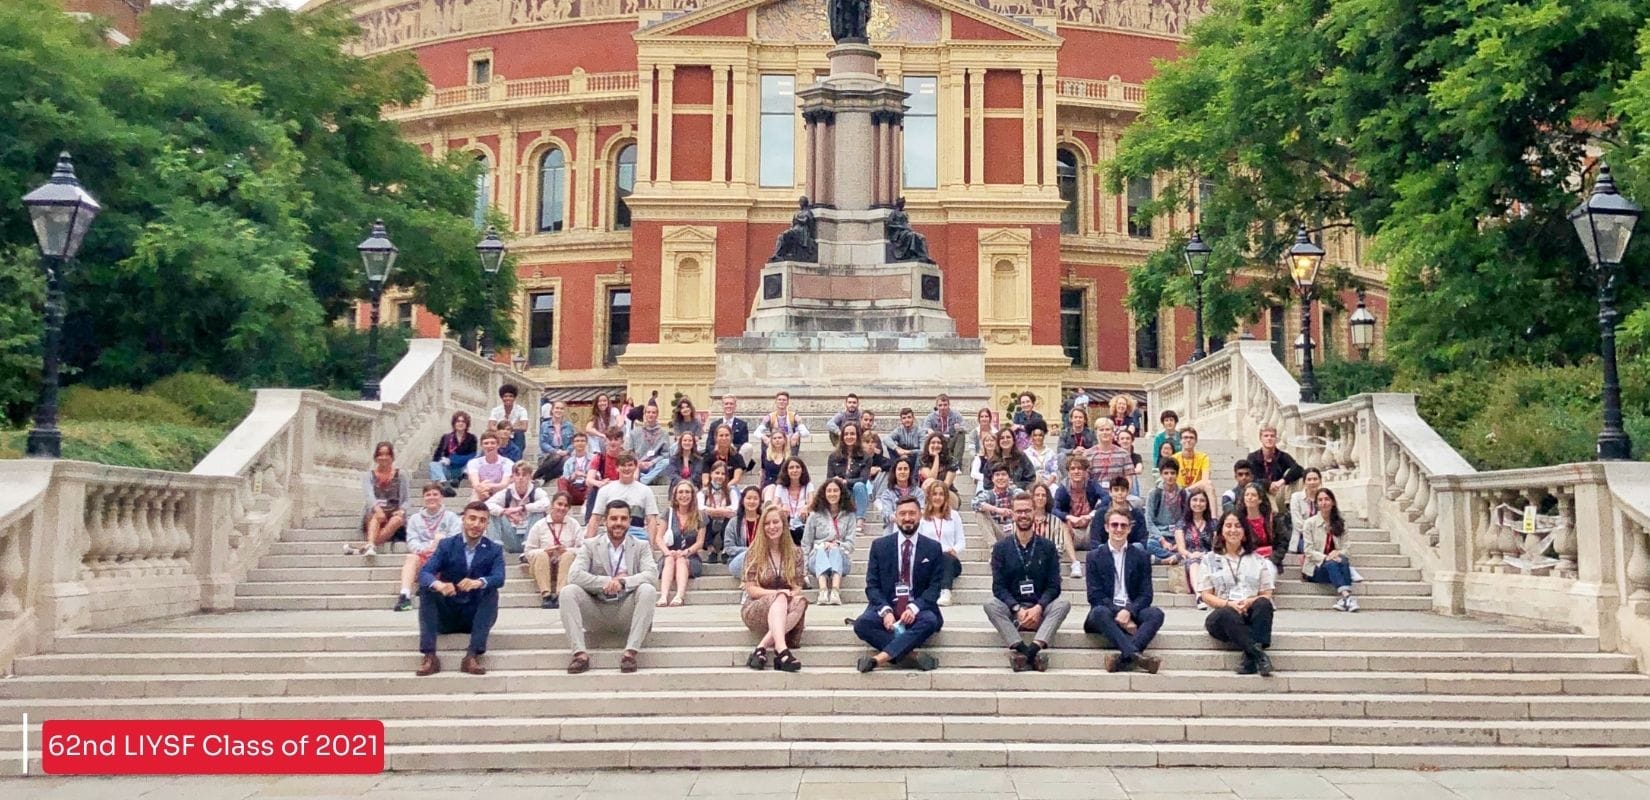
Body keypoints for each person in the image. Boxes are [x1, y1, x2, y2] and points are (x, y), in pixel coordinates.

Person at [561, 500, 660, 674]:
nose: (618, 523)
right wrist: (605, 582)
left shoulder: (641, 546)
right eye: (614, 518)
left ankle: (630, 654)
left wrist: (623, 582)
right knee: (568, 591)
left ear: (630, 521)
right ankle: (579, 655)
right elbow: (574, 575)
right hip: (596, 608)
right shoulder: (590, 545)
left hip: (626, 609)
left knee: (648, 589)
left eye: (623, 518)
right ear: (605, 520)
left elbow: (652, 574)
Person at [853, 495, 943, 672]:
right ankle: (911, 656)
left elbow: (934, 588)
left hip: (919, 608)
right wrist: (885, 611)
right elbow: (872, 586)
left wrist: (914, 608)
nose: (907, 518)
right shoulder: (880, 546)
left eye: (912, 513)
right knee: (862, 624)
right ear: (896, 516)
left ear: (920, 515)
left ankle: (878, 659)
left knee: (930, 620)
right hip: (888, 604)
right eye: (902, 514)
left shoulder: (933, 548)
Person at [415, 501, 503, 676]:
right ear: (463, 519)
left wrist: (479, 582)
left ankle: (472, 656)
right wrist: (439, 585)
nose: (476, 524)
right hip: (447, 613)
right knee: (426, 589)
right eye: (472, 518)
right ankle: (430, 656)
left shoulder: (494, 549)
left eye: (482, 520)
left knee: (491, 590)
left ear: (487, 524)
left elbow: (499, 578)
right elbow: (424, 573)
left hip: (474, 616)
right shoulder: (446, 545)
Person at [986, 494, 1072, 671]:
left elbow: (1054, 585)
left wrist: (1038, 608)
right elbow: (998, 587)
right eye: (1019, 511)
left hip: (1041, 607)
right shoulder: (1001, 548)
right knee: (990, 605)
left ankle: (1031, 650)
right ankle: (1025, 651)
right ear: (1012, 514)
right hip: (1013, 609)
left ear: (1034, 512)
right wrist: (1017, 609)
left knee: (1063, 604)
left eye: (1027, 511)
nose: (1023, 515)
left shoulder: (1048, 547)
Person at [1080, 508, 1165, 673]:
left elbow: (1146, 595)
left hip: (1132, 608)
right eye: (1114, 525)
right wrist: (1118, 612)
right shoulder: (1094, 556)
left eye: (1123, 525)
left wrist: (1129, 611)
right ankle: (1136, 655)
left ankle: (1123, 659)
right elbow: (1094, 595)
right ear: (1106, 527)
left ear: (1129, 529)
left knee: (1156, 614)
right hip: (1105, 612)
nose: (1119, 529)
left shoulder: (1141, 556)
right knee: (1099, 612)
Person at [1197, 511, 1279, 676]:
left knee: (1264, 604)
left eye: (1237, 526)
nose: (1233, 530)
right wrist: (1229, 604)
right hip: (1223, 616)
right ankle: (1259, 655)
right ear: (1221, 531)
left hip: (1249, 613)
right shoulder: (1209, 559)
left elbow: (1266, 593)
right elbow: (1206, 595)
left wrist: (1249, 602)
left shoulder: (1258, 560)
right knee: (1227, 613)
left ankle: (1250, 658)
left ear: (1244, 532)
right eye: (1228, 526)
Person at [741, 503, 809, 672]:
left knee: (801, 601)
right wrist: (777, 593)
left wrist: (788, 595)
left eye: (776, 522)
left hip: (784, 608)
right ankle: (781, 650)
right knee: (781, 597)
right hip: (757, 606)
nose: (771, 527)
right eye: (767, 523)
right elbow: (751, 589)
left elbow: (797, 586)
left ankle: (762, 647)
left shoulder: (796, 552)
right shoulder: (753, 552)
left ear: (784, 525)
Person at [395, 483, 462, 611]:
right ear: (423, 498)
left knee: (444, 543)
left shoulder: (451, 517)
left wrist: (439, 545)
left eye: (435, 494)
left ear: (441, 497)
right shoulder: (414, 519)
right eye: (428, 495)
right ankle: (405, 596)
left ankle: (429, 586)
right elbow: (412, 540)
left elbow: (455, 539)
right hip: (423, 556)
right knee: (411, 558)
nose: (431, 497)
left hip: (443, 558)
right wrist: (426, 548)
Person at [1299, 487, 1361, 611]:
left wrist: (1338, 553)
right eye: (1320, 500)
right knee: (1333, 563)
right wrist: (1326, 557)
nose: (1324, 502)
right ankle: (1347, 597)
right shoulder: (1309, 523)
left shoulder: (1341, 523)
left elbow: (1347, 548)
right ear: (1316, 504)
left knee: (1343, 560)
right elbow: (1308, 551)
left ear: (1332, 502)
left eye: (1327, 499)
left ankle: (1345, 599)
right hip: (1315, 568)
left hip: (1337, 563)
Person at [801, 477, 858, 605]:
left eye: (835, 490)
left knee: (835, 549)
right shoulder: (815, 515)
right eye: (829, 491)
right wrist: (804, 569)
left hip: (841, 558)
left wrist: (836, 544)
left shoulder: (849, 515)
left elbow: (850, 544)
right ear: (824, 493)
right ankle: (823, 590)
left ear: (841, 493)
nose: (832, 494)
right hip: (817, 558)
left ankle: (835, 591)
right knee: (821, 549)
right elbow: (806, 543)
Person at [585, 452, 661, 542]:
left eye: (630, 465)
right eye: (623, 465)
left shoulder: (646, 491)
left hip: (638, 537)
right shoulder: (605, 490)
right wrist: (589, 544)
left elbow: (651, 520)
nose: (626, 468)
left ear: (635, 467)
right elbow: (595, 518)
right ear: (617, 468)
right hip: (612, 535)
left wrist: (651, 544)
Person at [351, 441, 408, 557]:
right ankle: (370, 545)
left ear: (392, 457)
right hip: (375, 513)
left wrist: (402, 510)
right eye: (380, 454)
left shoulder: (401, 475)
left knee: (397, 519)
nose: (383, 457)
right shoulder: (368, 475)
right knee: (376, 515)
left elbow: (406, 500)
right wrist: (378, 509)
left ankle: (367, 546)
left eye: (387, 454)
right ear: (376, 457)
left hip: (393, 513)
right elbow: (369, 497)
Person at [522, 492, 577, 609]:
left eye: (566, 505)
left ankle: (560, 594)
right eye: (559, 504)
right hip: (542, 567)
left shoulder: (574, 525)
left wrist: (565, 550)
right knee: (541, 555)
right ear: (552, 504)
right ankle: (546, 595)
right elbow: (528, 552)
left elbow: (582, 549)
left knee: (568, 555)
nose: (562, 508)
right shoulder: (539, 525)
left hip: (565, 566)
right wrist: (546, 551)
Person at [655, 481, 705, 607]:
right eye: (681, 492)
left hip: (691, 557)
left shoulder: (700, 515)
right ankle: (663, 596)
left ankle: (679, 596)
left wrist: (686, 552)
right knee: (670, 560)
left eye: (687, 492)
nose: (684, 495)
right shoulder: (668, 513)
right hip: (670, 554)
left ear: (692, 495)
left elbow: (700, 542)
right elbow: (659, 538)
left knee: (681, 560)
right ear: (675, 495)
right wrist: (667, 552)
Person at [918, 478, 966, 606]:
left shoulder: (954, 516)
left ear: (946, 497)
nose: (938, 497)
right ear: (929, 496)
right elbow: (919, 542)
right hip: (930, 560)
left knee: (945, 557)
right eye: (934, 494)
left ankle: (946, 591)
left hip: (950, 560)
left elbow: (961, 541)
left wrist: (954, 550)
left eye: (941, 494)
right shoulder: (922, 517)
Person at [1051, 456, 1104, 565]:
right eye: (1073, 469)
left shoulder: (1092, 485)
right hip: (1072, 531)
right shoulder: (1062, 490)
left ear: (1085, 471)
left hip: (1090, 530)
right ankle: (1075, 563)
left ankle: (1097, 558)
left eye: (1080, 468)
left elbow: (1107, 498)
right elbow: (1054, 509)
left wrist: (1091, 515)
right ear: (1068, 472)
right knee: (1062, 524)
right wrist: (1069, 517)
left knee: (1101, 514)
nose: (1076, 471)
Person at [486, 461, 548, 553]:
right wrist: (505, 512)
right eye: (517, 474)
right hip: (511, 534)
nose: (520, 478)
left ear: (530, 477)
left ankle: (528, 549)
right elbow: (487, 505)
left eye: (524, 475)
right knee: (493, 513)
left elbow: (546, 504)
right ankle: (495, 549)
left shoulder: (536, 491)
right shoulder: (507, 492)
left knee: (539, 512)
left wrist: (523, 508)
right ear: (513, 477)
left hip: (531, 539)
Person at [1248, 424, 1304, 519]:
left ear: (1276, 439)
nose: (1269, 438)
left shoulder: (1282, 456)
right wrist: (1269, 484)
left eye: (1272, 436)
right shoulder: (1253, 457)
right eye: (1266, 436)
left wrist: (1282, 481)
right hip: (1262, 493)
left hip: (1279, 492)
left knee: (1299, 479)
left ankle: (1289, 506)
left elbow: (1299, 469)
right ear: (1261, 438)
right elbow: (1253, 478)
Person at [1176, 489, 1218, 610]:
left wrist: (1205, 555)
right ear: (1189, 502)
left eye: (1202, 500)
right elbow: (1181, 548)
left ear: (1206, 504)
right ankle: (1199, 596)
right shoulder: (1182, 523)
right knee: (1194, 563)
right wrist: (1191, 555)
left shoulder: (1213, 524)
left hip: (1208, 556)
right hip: (1189, 558)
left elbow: (1216, 546)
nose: (1198, 503)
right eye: (1195, 500)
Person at [1029, 482, 1079, 577]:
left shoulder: (1055, 521)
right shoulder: (1026, 520)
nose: (1040, 498)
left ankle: (1075, 563)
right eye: (1037, 495)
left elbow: (1058, 547)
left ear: (1047, 498)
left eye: (1043, 495)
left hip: (1048, 562)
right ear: (1032, 497)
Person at [825, 422, 874, 517]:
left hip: (857, 491)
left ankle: (860, 519)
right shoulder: (833, 457)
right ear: (842, 437)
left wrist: (845, 481)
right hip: (840, 491)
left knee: (859, 485)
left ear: (857, 436)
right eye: (846, 434)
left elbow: (863, 479)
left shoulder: (866, 457)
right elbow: (828, 479)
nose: (849, 437)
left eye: (852, 434)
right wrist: (836, 480)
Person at [1143, 460, 1187, 564]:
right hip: (1159, 536)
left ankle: (1161, 559)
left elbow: (1186, 519)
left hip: (1178, 535)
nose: (1169, 476)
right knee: (1149, 545)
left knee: (1193, 543)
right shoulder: (1154, 493)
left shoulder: (1184, 493)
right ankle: (1176, 556)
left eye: (1172, 473)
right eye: (1166, 473)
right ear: (1161, 475)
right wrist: (1162, 541)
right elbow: (1149, 521)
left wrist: (1179, 542)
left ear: (1177, 474)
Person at [764, 456, 814, 546]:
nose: (794, 470)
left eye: (797, 467)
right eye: (791, 468)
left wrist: (806, 506)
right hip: (786, 524)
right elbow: (774, 505)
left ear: (802, 470)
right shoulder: (780, 487)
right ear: (786, 471)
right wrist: (781, 507)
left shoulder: (808, 485)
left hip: (802, 523)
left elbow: (812, 502)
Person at [428, 412, 478, 497]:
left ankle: (443, 485)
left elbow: (472, 456)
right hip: (449, 470)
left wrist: (452, 460)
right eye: (458, 421)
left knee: (477, 456)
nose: (460, 423)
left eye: (463, 421)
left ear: (467, 424)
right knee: (433, 465)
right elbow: (436, 456)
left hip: (463, 470)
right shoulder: (446, 437)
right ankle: (445, 484)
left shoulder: (471, 438)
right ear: (454, 423)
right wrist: (441, 460)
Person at [971, 465, 1025, 543]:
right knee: (979, 513)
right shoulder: (987, 494)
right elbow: (974, 503)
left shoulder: (1016, 492)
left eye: (1003, 474)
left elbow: (1026, 501)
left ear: (1009, 478)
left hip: (1014, 527)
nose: (1000, 478)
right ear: (993, 479)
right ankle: (993, 547)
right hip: (996, 528)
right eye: (997, 475)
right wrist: (997, 510)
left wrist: (1014, 513)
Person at [1238, 482, 1285, 569]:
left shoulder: (1272, 519)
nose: (1249, 497)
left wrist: (1272, 559)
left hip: (1270, 561)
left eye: (1253, 495)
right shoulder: (1239, 521)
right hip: (1248, 562)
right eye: (1247, 495)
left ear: (1260, 499)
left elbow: (1282, 543)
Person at [624, 402, 673, 485]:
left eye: (653, 412)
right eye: (648, 412)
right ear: (644, 414)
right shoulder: (635, 433)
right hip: (638, 465)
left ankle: (645, 479)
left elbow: (665, 454)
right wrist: (638, 463)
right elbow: (629, 452)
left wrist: (652, 462)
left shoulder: (663, 434)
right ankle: (648, 477)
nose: (651, 415)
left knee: (666, 462)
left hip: (654, 465)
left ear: (657, 415)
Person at [580, 429, 625, 519]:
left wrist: (614, 483)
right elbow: (589, 480)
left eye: (616, 439)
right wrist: (600, 483)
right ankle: (589, 521)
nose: (612, 442)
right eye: (610, 439)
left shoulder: (628, 457)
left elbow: (634, 478)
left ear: (622, 442)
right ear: (605, 441)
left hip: (623, 489)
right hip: (605, 488)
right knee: (594, 489)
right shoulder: (599, 458)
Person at [699, 461, 738, 564]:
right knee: (702, 516)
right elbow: (700, 507)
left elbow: (735, 508)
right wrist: (722, 511)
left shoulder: (731, 490)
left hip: (724, 523)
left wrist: (713, 511)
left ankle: (726, 549)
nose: (720, 476)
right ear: (711, 474)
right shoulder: (704, 491)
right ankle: (710, 549)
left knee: (732, 518)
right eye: (717, 473)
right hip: (709, 523)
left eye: (723, 474)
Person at [724, 485, 765, 579]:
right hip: (739, 560)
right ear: (742, 501)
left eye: (755, 499)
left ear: (760, 502)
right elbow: (729, 548)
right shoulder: (733, 522)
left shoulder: (765, 521)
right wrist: (750, 551)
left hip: (762, 560)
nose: (752, 501)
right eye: (749, 498)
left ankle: (751, 583)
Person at [704, 394, 757, 466]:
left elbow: (744, 445)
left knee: (748, 447)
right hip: (717, 458)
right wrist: (720, 447)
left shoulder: (742, 425)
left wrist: (729, 447)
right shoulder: (714, 425)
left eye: (731, 404)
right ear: (722, 406)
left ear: (735, 406)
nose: (729, 406)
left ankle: (740, 470)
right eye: (726, 404)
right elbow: (709, 445)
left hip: (735, 456)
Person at [1097, 476, 1149, 548]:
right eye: (1116, 490)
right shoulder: (1101, 513)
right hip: (1107, 550)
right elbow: (1095, 539)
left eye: (1123, 490)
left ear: (1127, 492)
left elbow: (1143, 538)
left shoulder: (1137, 514)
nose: (1120, 493)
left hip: (1132, 550)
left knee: (1140, 546)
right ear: (1110, 492)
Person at [464, 431, 514, 504]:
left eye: (492, 443)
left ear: (498, 445)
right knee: (476, 493)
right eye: (486, 443)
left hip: (501, 494)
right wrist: (483, 490)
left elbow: (504, 484)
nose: (489, 446)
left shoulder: (508, 463)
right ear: (481, 446)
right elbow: (475, 484)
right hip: (481, 493)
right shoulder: (473, 463)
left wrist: (488, 486)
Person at [922, 393, 967, 471]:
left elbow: (965, 428)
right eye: (940, 405)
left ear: (949, 405)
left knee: (961, 434)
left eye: (945, 405)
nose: (943, 407)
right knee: (928, 437)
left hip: (951, 441)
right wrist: (928, 430)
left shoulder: (956, 415)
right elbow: (923, 428)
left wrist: (959, 428)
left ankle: (956, 466)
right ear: (937, 406)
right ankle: (928, 464)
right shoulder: (931, 417)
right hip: (938, 441)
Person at [1174, 427, 1217, 509]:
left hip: (1195, 490)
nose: (1188, 440)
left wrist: (1187, 490)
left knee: (1209, 485)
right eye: (1185, 437)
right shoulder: (1174, 458)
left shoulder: (1203, 457)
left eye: (1191, 438)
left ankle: (1214, 516)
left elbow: (1205, 480)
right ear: (1180, 440)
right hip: (1179, 491)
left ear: (1196, 441)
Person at [877, 458, 922, 534]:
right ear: (895, 472)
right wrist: (902, 519)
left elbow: (921, 511)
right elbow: (887, 514)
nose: (903, 472)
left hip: (914, 527)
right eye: (900, 469)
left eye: (905, 469)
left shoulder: (918, 492)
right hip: (892, 529)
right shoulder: (887, 494)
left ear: (910, 472)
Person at [554, 432, 596, 509]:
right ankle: (564, 502)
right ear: (573, 444)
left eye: (582, 441)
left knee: (593, 480)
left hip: (587, 490)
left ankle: (587, 502)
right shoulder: (568, 462)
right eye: (577, 441)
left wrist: (585, 475)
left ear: (586, 443)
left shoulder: (594, 459)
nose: (580, 443)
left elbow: (598, 476)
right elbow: (565, 478)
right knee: (561, 480)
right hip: (573, 491)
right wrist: (573, 476)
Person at [537, 400, 576, 482]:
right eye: (557, 408)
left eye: (561, 408)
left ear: (564, 411)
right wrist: (555, 451)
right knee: (557, 456)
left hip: (564, 453)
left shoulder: (569, 425)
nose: (559, 410)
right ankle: (536, 475)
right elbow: (543, 443)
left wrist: (567, 451)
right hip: (548, 455)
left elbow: (573, 442)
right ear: (552, 410)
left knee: (567, 459)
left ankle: (544, 479)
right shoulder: (544, 425)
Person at [1086, 418, 1132, 487]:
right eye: (1101, 430)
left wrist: (1125, 492)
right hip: (1095, 492)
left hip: (1117, 491)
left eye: (1107, 429)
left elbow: (1128, 478)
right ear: (1096, 433)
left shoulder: (1124, 454)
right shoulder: (1088, 454)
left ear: (1113, 432)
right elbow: (1085, 479)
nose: (1104, 432)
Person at [490, 384, 530, 461]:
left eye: (511, 396)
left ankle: (516, 460)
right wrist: (502, 430)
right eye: (505, 396)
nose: (508, 398)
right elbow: (491, 426)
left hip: (515, 436)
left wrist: (508, 429)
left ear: (514, 398)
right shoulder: (496, 410)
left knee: (519, 434)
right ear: (501, 398)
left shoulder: (521, 410)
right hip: (499, 435)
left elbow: (524, 427)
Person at [1289, 468, 1325, 540]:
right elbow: (1297, 523)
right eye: (1309, 479)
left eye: (1315, 479)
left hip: (1322, 537)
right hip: (1301, 538)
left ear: (1320, 481)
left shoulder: (1324, 497)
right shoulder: (1296, 497)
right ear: (1304, 482)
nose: (1312, 482)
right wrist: (1313, 533)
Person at [1022, 423, 1060, 487]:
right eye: (1035, 435)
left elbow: (1054, 472)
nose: (1038, 438)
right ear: (1031, 437)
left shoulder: (1050, 453)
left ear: (1043, 436)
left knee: (1055, 488)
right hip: (1031, 483)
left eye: (1040, 435)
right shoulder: (1026, 453)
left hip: (1048, 482)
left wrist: (1047, 485)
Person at [1115, 429, 1147, 497]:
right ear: (1118, 441)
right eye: (1122, 439)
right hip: (1117, 482)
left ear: (1132, 440)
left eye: (1127, 438)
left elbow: (1139, 470)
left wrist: (1125, 472)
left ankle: (1132, 497)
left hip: (1131, 482)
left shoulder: (1136, 456)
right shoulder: (1114, 456)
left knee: (1132, 476)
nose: (1125, 441)